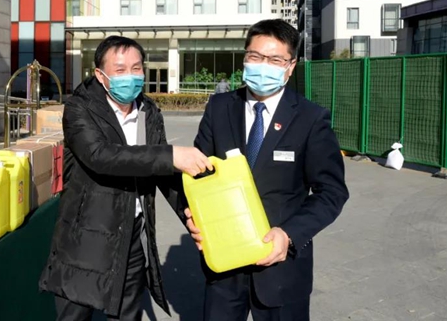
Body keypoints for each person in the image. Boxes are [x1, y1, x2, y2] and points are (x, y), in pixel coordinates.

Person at [40, 35, 211, 321]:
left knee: (127, 314)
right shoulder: (80, 108)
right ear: (101, 75)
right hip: (87, 237)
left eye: (136, 68)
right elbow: (100, 155)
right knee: (74, 315)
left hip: (133, 237)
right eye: (120, 70)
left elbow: (162, 173)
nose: (130, 77)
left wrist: (191, 215)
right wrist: (170, 155)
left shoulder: (149, 111)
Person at [188, 19, 349, 321]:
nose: (263, 66)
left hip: (282, 269)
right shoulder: (219, 107)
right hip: (225, 266)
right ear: (245, 58)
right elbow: (198, 174)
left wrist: (289, 234)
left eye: (275, 60)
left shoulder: (311, 118)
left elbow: (331, 192)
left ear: (290, 66)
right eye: (255, 56)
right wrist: (192, 217)